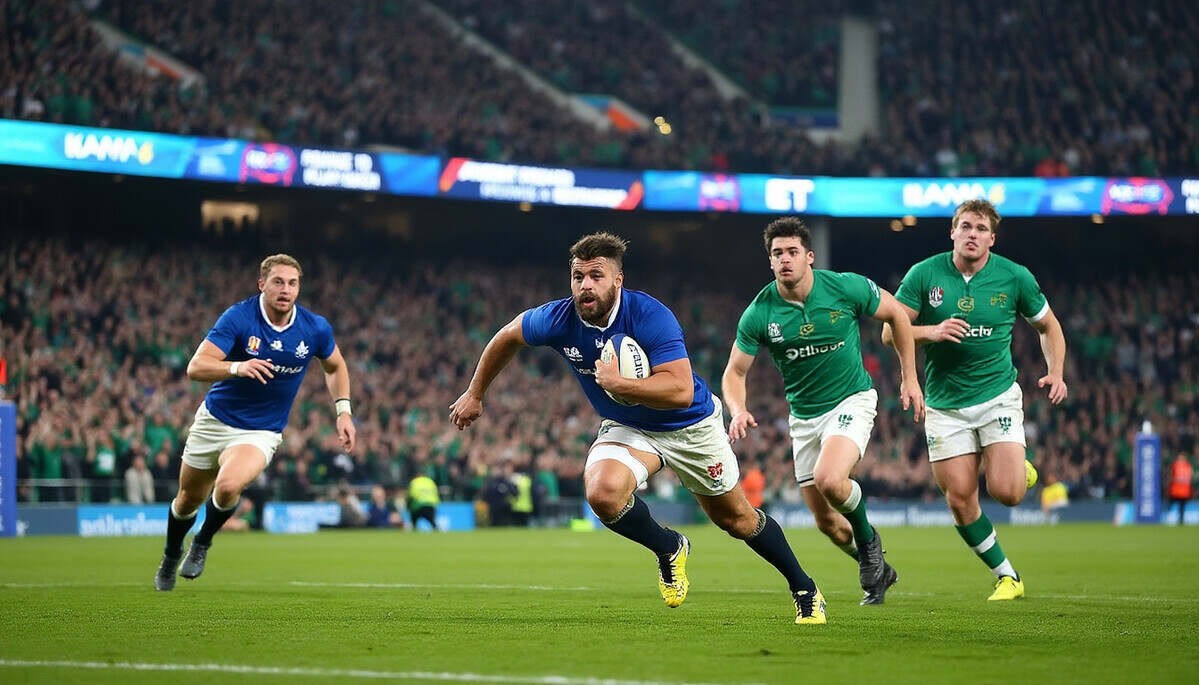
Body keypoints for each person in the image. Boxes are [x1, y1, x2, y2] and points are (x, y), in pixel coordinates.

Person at [450, 232, 827, 624]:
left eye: (596, 276)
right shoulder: (559, 318)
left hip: (690, 426)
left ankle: (805, 588)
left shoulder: (649, 315)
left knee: (737, 520)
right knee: (602, 493)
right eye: (578, 277)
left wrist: (620, 385)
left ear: (618, 280)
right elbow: (508, 335)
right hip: (629, 426)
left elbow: (681, 390)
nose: (585, 286)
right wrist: (475, 393)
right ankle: (669, 547)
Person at [722, 217, 924, 605]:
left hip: (852, 400)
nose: (785, 259)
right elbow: (735, 371)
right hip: (804, 419)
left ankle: (869, 541)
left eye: (792, 252)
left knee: (831, 479)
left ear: (809, 257)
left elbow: (898, 314)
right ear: (770, 261)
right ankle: (880, 570)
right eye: (777, 253)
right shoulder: (760, 312)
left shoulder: (845, 287)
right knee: (827, 523)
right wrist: (738, 408)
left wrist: (909, 379)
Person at [883, 198, 1067, 601]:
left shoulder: (1014, 277)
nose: (972, 234)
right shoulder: (924, 274)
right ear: (952, 231)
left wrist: (1055, 371)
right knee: (960, 498)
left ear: (992, 239)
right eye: (965, 226)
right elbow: (888, 333)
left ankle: (1019, 469)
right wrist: (930, 332)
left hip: (996, 398)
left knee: (1008, 493)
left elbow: (1048, 326)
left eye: (981, 229)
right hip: (945, 406)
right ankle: (1007, 576)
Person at [154, 254, 356, 591]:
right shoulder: (239, 317)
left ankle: (202, 542)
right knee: (188, 498)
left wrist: (344, 410)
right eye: (278, 282)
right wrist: (238, 366)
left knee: (229, 486)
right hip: (215, 420)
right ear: (262, 284)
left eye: (292, 283)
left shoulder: (314, 328)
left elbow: (335, 366)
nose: (285, 289)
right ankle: (171, 554)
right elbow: (196, 367)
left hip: (261, 430)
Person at [1167, 453, 1193, 525]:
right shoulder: (1175, 465)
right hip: (1176, 490)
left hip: (1185, 491)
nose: (1181, 459)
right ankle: (1165, 516)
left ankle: (1181, 520)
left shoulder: (1188, 466)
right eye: (1180, 458)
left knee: (1182, 507)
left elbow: (1190, 477)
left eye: (1183, 457)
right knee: (1170, 504)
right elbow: (1171, 475)